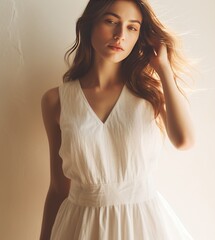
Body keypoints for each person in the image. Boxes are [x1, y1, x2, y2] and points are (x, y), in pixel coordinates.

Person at [39, 0, 195, 239]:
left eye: (132, 27)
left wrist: (163, 67)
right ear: (90, 25)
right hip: (80, 225)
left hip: (142, 222)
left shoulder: (150, 94)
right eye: (111, 22)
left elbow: (184, 140)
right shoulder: (56, 100)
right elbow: (59, 187)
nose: (120, 35)